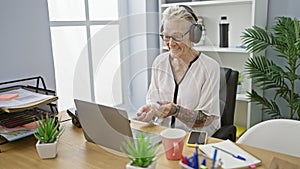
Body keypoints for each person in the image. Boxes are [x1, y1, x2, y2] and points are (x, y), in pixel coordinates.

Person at [135, 5, 221, 136]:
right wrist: (150, 111)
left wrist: (176, 111)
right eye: (166, 36)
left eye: (177, 37)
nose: (171, 43)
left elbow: (206, 119)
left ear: (193, 35)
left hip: (193, 139)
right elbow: (153, 101)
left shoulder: (209, 68)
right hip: (162, 135)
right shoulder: (159, 62)